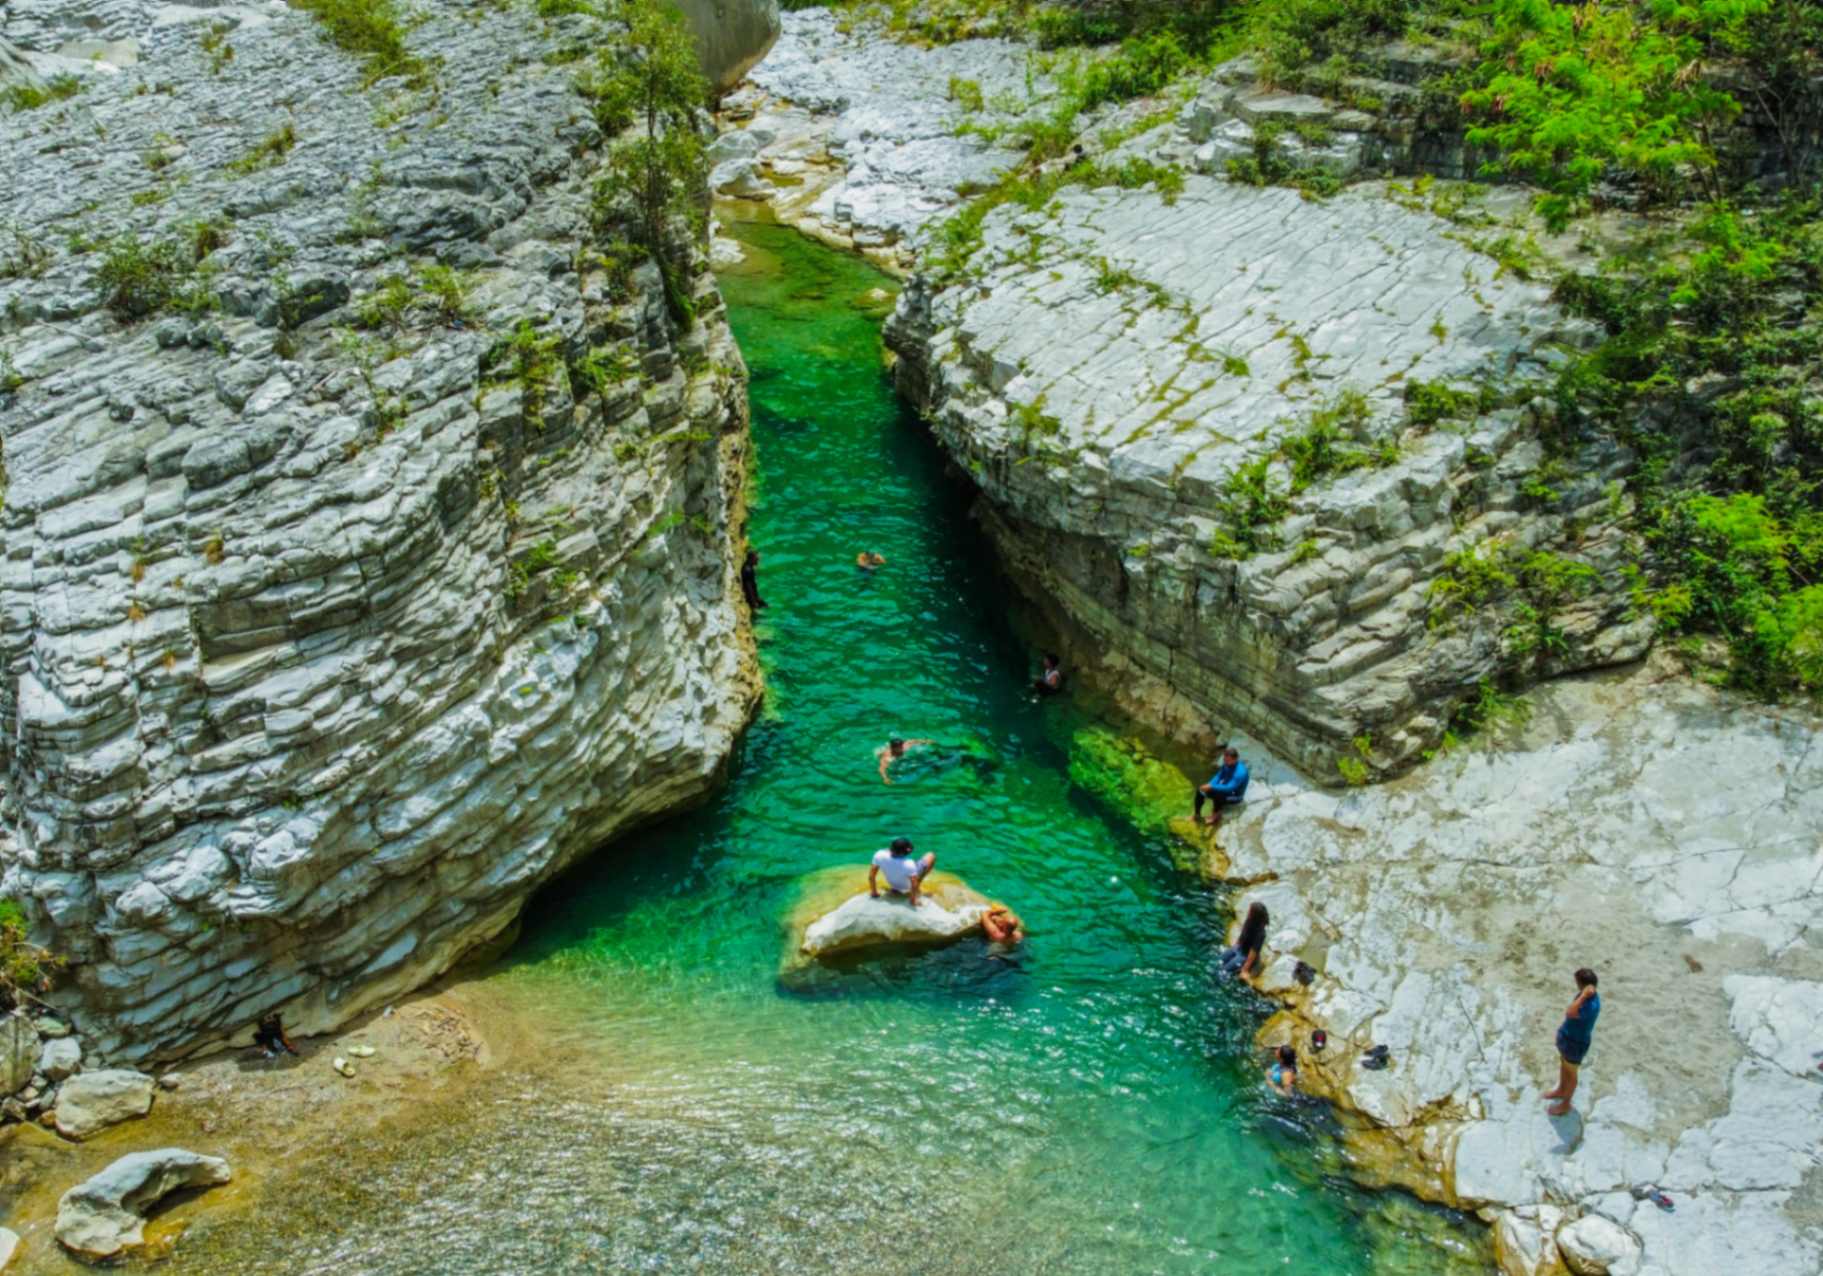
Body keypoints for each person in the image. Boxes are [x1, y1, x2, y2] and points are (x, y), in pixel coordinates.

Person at [1545, 968, 1600, 1116]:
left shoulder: (1590, 1004)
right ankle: (1561, 1090)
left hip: (1575, 1044)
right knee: (1564, 1066)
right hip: (1568, 1039)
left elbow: (1570, 1012)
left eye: (1578, 983)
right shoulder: (1585, 997)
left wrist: (1582, 996)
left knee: (1572, 1074)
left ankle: (1566, 1104)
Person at [869, 837, 936, 907]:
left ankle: (895, 890)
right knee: (931, 855)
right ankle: (919, 880)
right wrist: (913, 901)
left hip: (893, 884)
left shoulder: (879, 855)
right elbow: (913, 884)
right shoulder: (909, 864)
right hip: (908, 885)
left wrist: (874, 893)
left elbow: (871, 876)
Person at [1194, 745, 1250, 826]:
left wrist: (1212, 787)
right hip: (1227, 789)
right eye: (1225, 760)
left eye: (1228, 761)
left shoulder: (1240, 772)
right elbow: (1219, 775)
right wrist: (1210, 784)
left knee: (1218, 793)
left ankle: (1216, 815)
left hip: (1235, 796)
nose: (1225, 762)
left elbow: (1229, 788)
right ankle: (1197, 815)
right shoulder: (1227, 764)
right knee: (1200, 791)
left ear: (1236, 759)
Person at [1220, 901, 1269, 980]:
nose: (1248, 911)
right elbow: (1242, 935)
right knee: (1220, 961)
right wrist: (1234, 947)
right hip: (1239, 948)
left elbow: (1253, 952)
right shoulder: (1249, 920)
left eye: (1250, 910)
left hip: (1245, 955)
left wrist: (1245, 969)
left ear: (1255, 915)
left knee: (1224, 971)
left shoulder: (1261, 933)